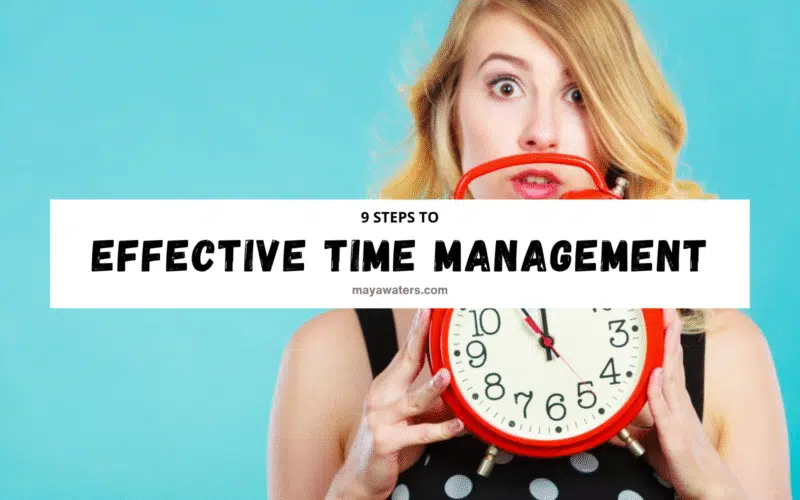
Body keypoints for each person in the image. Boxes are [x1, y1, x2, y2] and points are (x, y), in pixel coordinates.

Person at [267, 0, 791, 498]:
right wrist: (355, 489)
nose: (541, 133)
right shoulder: (331, 356)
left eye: (578, 94)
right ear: (450, 115)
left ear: (618, 124)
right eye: (505, 86)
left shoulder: (723, 354)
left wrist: (711, 490)